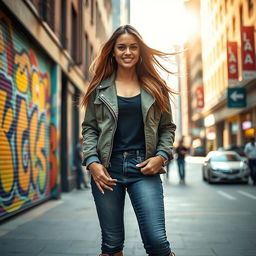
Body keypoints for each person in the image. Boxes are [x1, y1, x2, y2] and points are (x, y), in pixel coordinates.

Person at [81, 25, 176, 256]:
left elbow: (167, 128)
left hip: (144, 168)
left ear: (140, 51)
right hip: (107, 170)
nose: (127, 52)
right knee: (112, 245)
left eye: (133, 47)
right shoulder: (99, 88)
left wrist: (161, 157)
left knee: (157, 243)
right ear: (112, 51)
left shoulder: (156, 88)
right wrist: (92, 162)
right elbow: (90, 129)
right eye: (121, 47)